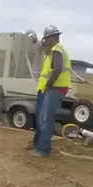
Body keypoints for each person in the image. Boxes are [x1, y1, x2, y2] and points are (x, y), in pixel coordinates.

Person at [32, 25, 72, 158]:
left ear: (52, 37)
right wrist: (40, 42)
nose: (45, 41)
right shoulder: (57, 49)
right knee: (44, 119)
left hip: (56, 88)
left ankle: (43, 150)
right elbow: (46, 51)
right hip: (58, 88)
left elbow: (57, 68)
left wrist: (49, 83)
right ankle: (41, 148)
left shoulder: (57, 49)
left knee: (46, 120)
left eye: (46, 39)